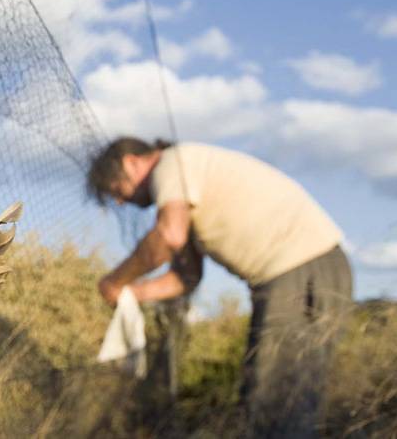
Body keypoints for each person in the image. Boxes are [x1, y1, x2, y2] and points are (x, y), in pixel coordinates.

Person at [88, 138, 352, 438]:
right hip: (310, 271)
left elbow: (169, 237)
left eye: (114, 190)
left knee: (275, 403)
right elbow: (186, 277)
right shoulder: (185, 187)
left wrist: (114, 281)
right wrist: (131, 294)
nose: (120, 201)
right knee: (289, 400)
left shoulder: (171, 164)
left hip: (300, 271)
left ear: (130, 163)